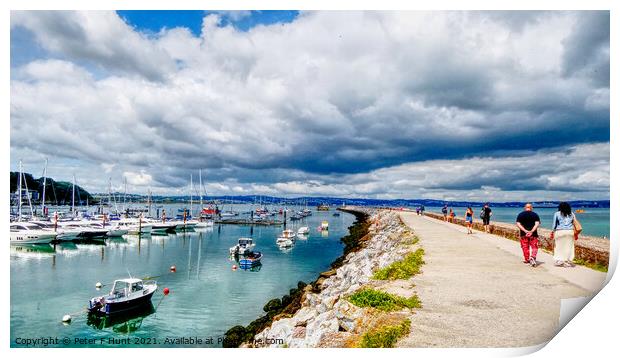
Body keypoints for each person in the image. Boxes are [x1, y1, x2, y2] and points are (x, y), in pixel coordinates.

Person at [550, 202, 576, 267]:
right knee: (569, 247)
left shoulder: (557, 214)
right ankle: (567, 260)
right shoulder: (572, 214)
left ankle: (560, 260)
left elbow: (554, 225)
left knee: (559, 247)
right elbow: (574, 222)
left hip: (560, 231)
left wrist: (552, 232)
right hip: (570, 232)